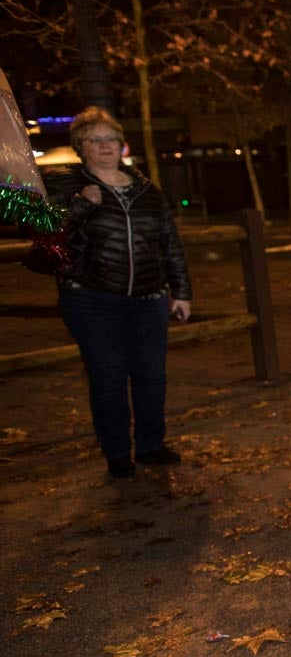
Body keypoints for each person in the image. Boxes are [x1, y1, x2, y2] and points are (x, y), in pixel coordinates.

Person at [43, 106, 192, 479]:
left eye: (112, 139)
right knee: (108, 377)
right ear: (81, 146)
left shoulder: (146, 190)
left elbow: (169, 242)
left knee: (151, 376)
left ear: (122, 145)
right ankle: (116, 454)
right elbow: (46, 235)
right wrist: (81, 205)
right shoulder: (67, 185)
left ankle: (151, 446)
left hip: (148, 299)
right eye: (96, 139)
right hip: (92, 301)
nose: (106, 145)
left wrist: (181, 290)